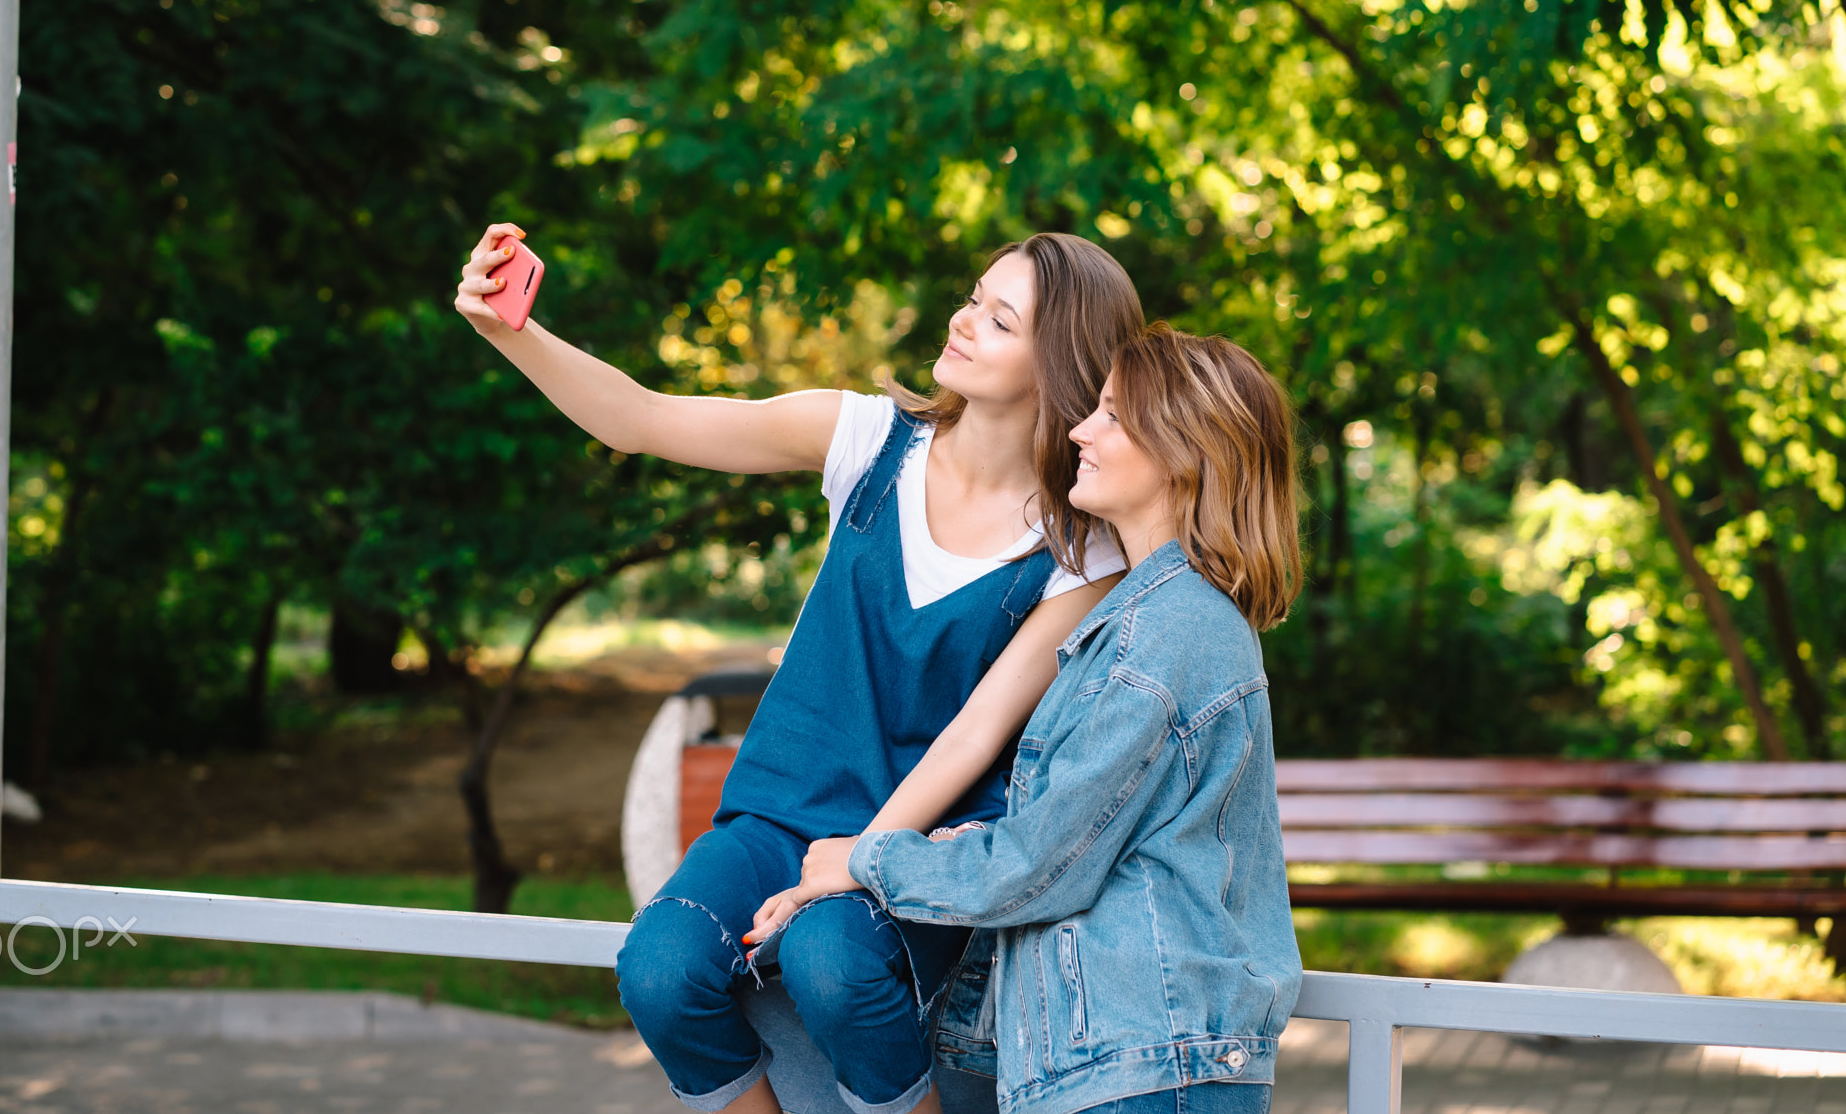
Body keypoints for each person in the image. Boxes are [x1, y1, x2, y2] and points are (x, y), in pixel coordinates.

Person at [453, 227, 1145, 1114]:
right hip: (778, 808)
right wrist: (513, 332)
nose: (962, 321)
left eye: (999, 319)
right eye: (973, 297)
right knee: (659, 970)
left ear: (1058, 362)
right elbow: (642, 419)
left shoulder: (1080, 550)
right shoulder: (866, 439)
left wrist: (864, 859)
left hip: (920, 839)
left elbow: (979, 733)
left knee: (833, 962)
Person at [751, 325, 1304, 1114]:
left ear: (1184, 451)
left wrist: (868, 861)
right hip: (1123, 1060)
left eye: (1112, 415)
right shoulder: (1147, 617)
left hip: (1145, 1069)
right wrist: (973, 842)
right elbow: (1100, 836)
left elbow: (1042, 863)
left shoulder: (1168, 632)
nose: (1081, 427)